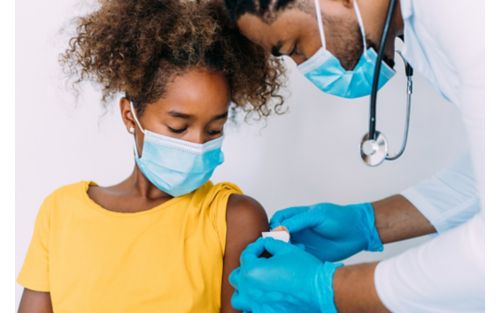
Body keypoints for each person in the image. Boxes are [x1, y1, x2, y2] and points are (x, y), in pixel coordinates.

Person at [16, 0, 285, 312]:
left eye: (214, 130)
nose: (197, 144)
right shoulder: (61, 212)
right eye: (178, 127)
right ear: (130, 116)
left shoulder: (233, 218)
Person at [225, 0, 485, 312]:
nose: (306, 66)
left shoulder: (468, 16)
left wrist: (328, 288)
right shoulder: (423, 27)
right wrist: (368, 223)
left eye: (295, 47)